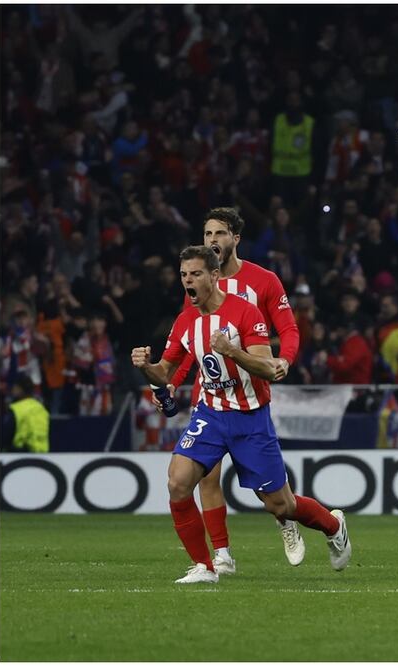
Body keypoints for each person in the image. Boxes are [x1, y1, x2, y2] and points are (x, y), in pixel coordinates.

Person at [131, 246, 349, 584]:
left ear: (214, 276)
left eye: (196, 274)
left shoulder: (246, 314)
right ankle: (206, 566)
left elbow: (267, 368)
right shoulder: (186, 320)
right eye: (184, 274)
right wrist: (147, 367)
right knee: (177, 482)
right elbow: (165, 373)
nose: (188, 280)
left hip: (250, 419)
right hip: (211, 415)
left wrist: (233, 351)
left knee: (282, 505)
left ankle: (333, 525)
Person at [160, 207, 302, 576]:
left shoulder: (263, 280)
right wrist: (174, 379)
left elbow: (288, 328)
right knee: (202, 475)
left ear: (235, 239)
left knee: (271, 496)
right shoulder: (198, 282)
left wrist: (284, 360)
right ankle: (220, 556)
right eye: (207, 235)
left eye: (219, 234)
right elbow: (192, 339)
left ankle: (285, 518)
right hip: (209, 390)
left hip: (249, 385)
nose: (212, 241)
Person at [5, 376, 50, 453]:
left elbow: (7, 434)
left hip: (19, 454)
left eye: (15, 387)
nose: (13, 390)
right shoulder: (42, 409)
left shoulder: (16, 409)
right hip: (43, 453)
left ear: (20, 389)